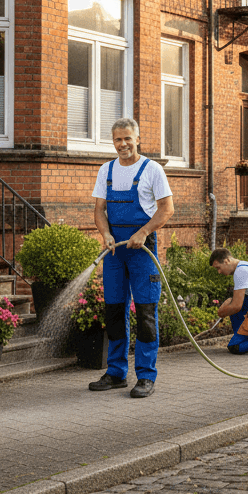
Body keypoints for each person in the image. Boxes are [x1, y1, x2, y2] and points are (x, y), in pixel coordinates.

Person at [89, 118, 174, 398]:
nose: (123, 144)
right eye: (117, 140)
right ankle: (115, 373)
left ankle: (146, 377)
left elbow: (166, 209)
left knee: (146, 314)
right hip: (114, 252)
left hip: (142, 251)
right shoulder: (106, 170)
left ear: (137, 138)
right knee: (114, 312)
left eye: (127, 138)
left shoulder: (152, 170)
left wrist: (143, 231)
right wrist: (105, 234)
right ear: (112, 142)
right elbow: (99, 209)